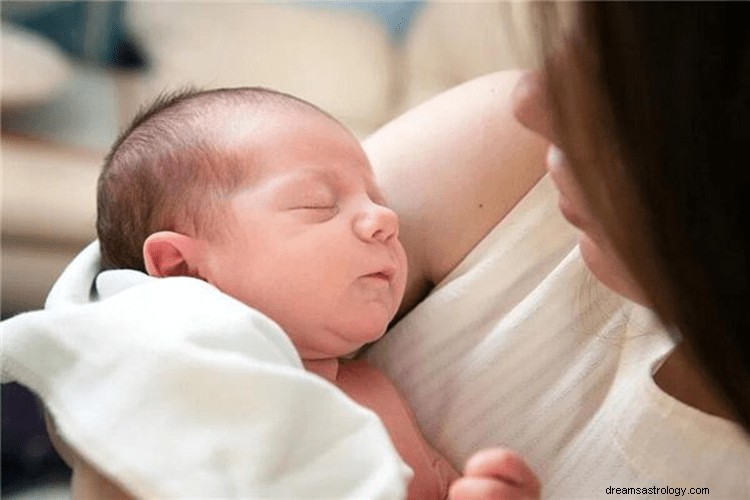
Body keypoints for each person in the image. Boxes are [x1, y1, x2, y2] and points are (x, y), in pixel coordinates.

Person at [90, 86, 540, 500]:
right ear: (183, 268)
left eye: (378, 200)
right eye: (320, 205)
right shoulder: (186, 395)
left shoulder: (375, 392)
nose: (386, 220)